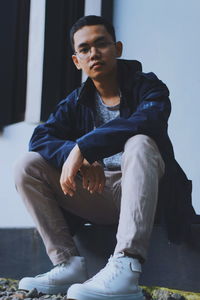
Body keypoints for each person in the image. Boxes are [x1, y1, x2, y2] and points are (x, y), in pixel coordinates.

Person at [14, 15, 197, 300]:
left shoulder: (148, 87)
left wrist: (83, 148)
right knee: (28, 166)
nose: (94, 53)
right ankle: (67, 264)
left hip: (149, 194)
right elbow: (39, 138)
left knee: (140, 143)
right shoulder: (74, 102)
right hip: (99, 193)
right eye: (85, 49)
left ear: (118, 48)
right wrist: (76, 156)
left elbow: (149, 119)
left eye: (101, 44)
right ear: (77, 61)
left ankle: (126, 265)